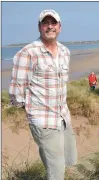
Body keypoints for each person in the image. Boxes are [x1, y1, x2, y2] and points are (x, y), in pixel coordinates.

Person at [8, 9, 77, 180]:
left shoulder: (65, 52)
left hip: (63, 116)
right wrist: (33, 111)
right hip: (43, 120)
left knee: (70, 158)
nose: (49, 26)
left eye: (53, 23)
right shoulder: (28, 53)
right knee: (56, 171)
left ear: (60, 27)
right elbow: (17, 90)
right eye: (45, 23)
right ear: (39, 27)